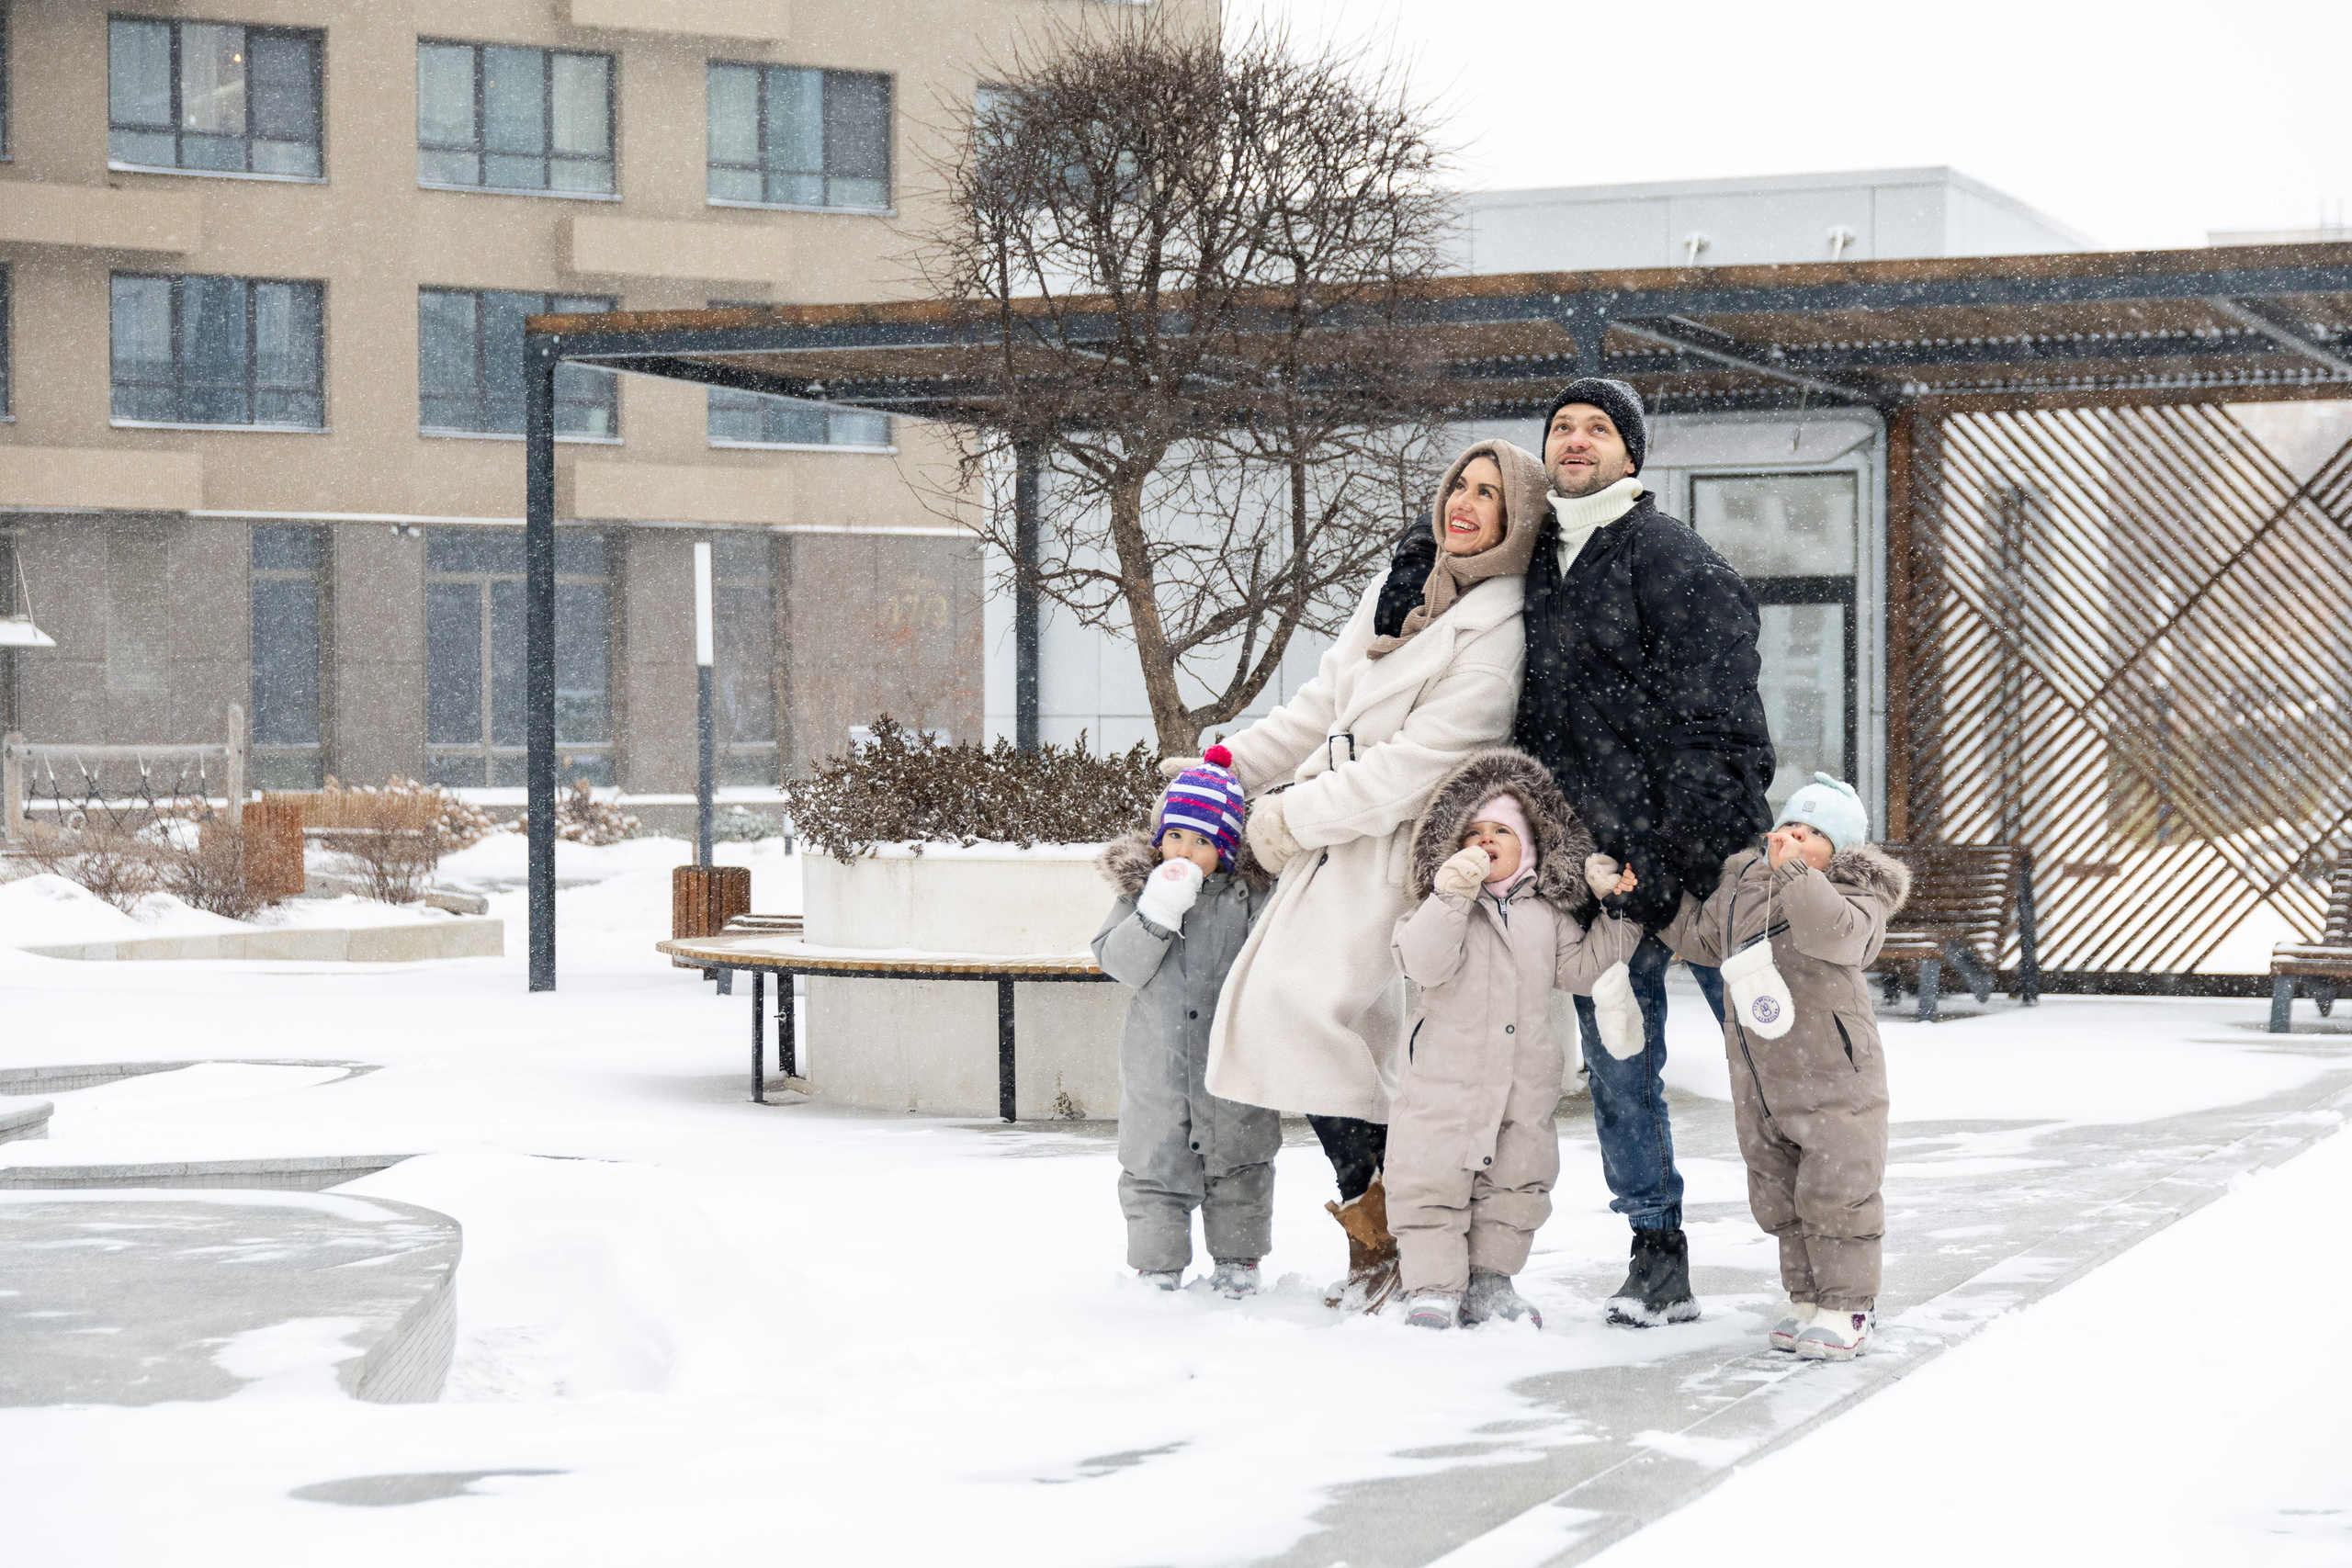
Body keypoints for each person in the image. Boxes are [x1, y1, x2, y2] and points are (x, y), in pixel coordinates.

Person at [1374, 378, 1775, 1327]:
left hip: (1699, 869)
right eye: (1562, 428)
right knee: (1623, 1072)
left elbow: (1725, 729)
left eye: (1599, 428)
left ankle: (1817, 1249)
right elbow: (1456, 537)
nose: (1577, 440)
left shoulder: (1672, 557)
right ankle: (1656, 1254)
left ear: (1632, 454)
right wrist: (1414, 556)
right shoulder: (1542, 555)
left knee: (1771, 1064)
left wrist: (1669, 852)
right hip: (1597, 880)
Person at [1185, 439, 1546, 1311]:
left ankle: (1393, 1233)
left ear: (1517, 521)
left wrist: (1286, 818)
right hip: (1336, 841)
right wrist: (1226, 765)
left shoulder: (1501, 630)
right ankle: (1385, 1229)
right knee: (1330, 1036)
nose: (1464, 504)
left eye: (1489, 494)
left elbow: (1414, 769)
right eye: (1459, 485)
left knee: (1310, 1020)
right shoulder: (1402, 588)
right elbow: (1321, 706)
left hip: (1395, 853)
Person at [1638, 773, 1909, 1359]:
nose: (1794, 838)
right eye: (1790, 826)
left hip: (1833, 1074)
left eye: (1813, 834)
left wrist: (1796, 875)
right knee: (1780, 1195)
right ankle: (1807, 1299)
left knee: (1838, 1191)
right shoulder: (1744, 884)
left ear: (1841, 851)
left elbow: (1834, 935)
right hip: (1761, 1078)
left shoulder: (1855, 893)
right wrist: (1652, 900)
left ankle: (1849, 1305)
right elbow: (1704, 939)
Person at [1386, 748, 1645, 1330]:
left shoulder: (1546, 915)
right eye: (1473, 833)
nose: (1485, 840)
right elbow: (1423, 963)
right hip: (1444, 1081)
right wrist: (1450, 896)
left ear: (1526, 846)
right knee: (1429, 1178)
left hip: (1522, 1083)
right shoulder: (1436, 907)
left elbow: (1585, 971)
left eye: (1500, 831)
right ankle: (1433, 1287)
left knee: (1516, 1182)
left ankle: (1491, 1281)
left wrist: (1618, 912)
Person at [1091, 748, 1279, 1295]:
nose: (1185, 851)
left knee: (1241, 1161)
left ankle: (1238, 1261)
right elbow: (1121, 964)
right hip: (1160, 1065)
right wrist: (1156, 913)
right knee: (1155, 1163)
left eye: (1202, 842)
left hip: (1232, 1063)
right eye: (1175, 836)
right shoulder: (1140, 895)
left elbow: (1273, 958)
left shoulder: (1250, 897)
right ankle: (1158, 1267)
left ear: (1226, 849)